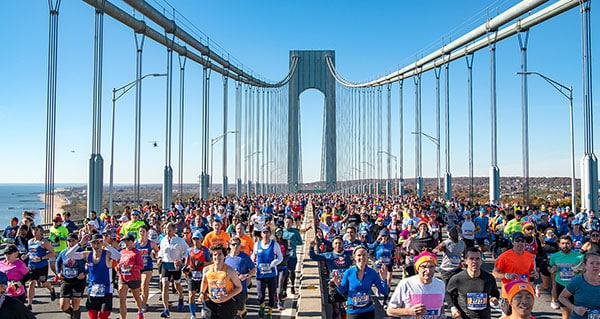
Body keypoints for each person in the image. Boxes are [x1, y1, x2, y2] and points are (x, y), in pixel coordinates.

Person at [331, 245, 389, 319]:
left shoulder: (372, 273)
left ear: (367, 256)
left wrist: (384, 280)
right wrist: (337, 283)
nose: (362, 258)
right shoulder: (349, 272)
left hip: (368, 311)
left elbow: (384, 292)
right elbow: (342, 291)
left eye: (364, 255)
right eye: (359, 255)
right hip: (353, 312)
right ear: (354, 257)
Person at [386, 251, 445, 319]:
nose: (428, 270)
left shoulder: (440, 284)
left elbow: (440, 306)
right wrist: (409, 311)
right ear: (418, 268)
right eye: (423, 267)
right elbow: (390, 311)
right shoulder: (406, 284)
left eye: (431, 266)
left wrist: (442, 315)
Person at [446, 247, 500, 319]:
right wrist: (453, 309)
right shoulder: (457, 279)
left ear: (481, 261)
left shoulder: (489, 278)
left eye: (477, 259)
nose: (474, 261)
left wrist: (495, 299)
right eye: (471, 259)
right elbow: (447, 294)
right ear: (466, 261)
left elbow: (495, 292)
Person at [198, 244, 243, 319]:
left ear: (224, 256)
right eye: (215, 255)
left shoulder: (230, 271)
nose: (217, 257)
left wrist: (227, 296)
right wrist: (202, 293)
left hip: (226, 304)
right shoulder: (206, 270)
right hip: (211, 303)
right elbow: (205, 282)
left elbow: (239, 287)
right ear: (212, 257)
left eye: (220, 254)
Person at [492, 232, 536, 303]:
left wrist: (533, 273)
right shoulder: (504, 257)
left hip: (523, 292)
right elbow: (495, 273)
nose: (520, 243)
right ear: (512, 242)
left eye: (522, 241)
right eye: (517, 240)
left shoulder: (529, 256)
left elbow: (530, 271)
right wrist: (507, 275)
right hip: (509, 293)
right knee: (508, 314)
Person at [157, 223, 190, 318]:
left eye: (169, 230)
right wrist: (159, 258)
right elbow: (161, 251)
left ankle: (181, 296)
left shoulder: (180, 240)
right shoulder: (163, 240)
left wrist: (181, 261)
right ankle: (166, 309)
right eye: (166, 230)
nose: (167, 232)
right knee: (165, 286)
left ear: (174, 230)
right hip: (166, 264)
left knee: (177, 285)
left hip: (176, 265)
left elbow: (187, 252)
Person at [86, 233, 121, 319]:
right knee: (93, 317)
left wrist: (106, 245)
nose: (96, 245)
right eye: (94, 243)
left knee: (103, 316)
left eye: (99, 243)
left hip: (106, 290)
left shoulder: (107, 254)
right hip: (92, 290)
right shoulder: (87, 254)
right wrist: (80, 243)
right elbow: (69, 255)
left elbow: (118, 255)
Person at [548, 235, 583, 317]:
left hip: (575, 286)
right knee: (565, 313)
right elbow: (550, 267)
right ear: (559, 245)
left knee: (576, 313)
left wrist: (579, 269)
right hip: (561, 285)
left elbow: (585, 270)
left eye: (567, 243)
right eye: (563, 243)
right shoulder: (554, 256)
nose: (565, 246)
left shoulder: (579, 256)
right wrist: (552, 269)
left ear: (571, 244)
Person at [558, 252, 600, 319]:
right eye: (591, 263)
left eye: (598, 263)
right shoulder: (577, 281)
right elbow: (562, 297)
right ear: (585, 265)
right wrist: (575, 308)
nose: (595, 266)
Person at [253, 227, 283, 319]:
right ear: (261, 234)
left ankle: (270, 311)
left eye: (267, 233)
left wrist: (275, 262)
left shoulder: (275, 245)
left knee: (271, 295)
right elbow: (253, 256)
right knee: (260, 295)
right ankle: (262, 306)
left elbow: (280, 257)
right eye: (264, 233)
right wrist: (252, 263)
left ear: (270, 234)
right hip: (260, 274)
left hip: (271, 274)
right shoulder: (257, 245)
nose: (265, 235)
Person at [55, 233, 87, 319]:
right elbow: (58, 262)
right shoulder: (64, 252)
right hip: (66, 280)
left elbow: (90, 264)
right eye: (69, 241)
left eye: (73, 241)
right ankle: (73, 314)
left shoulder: (82, 251)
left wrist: (85, 273)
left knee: (75, 304)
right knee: (63, 306)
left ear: (77, 241)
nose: (71, 243)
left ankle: (76, 316)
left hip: (78, 280)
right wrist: (58, 272)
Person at [225, 236, 256, 319]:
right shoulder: (226, 258)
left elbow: (254, 270)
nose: (235, 246)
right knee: (231, 312)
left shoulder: (245, 257)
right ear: (230, 246)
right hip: (229, 290)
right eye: (233, 244)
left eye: (237, 244)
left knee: (239, 311)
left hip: (241, 289)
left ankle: (243, 310)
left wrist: (246, 276)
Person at [27, 225, 57, 310]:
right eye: (33, 229)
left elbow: (52, 253)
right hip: (32, 265)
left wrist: (41, 258)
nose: (34, 231)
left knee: (43, 283)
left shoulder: (44, 242)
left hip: (42, 266)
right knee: (31, 283)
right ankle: (29, 304)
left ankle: (51, 290)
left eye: (37, 230)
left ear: (41, 232)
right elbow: (30, 252)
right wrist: (25, 256)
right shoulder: (30, 241)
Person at [117, 234, 144, 319]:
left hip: (134, 278)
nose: (126, 243)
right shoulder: (121, 252)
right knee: (122, 299)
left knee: (136, 297)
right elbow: (118, 263)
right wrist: (117, 267)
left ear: (132, 242)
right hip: (123, 278)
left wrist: (131, 267)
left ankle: (140, 311)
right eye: (124, 241)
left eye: (127, 241)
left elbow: (141, 266)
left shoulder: (136, 252)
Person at [185, 230, 211, 319]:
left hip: (203, 276)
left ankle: (204, 310)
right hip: (192, 276)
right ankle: (193, 314)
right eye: (194, 239)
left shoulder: (205, 250)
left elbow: (211, 262)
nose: (195, 241)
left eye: (197, 239)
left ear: (201, 239)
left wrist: (203, 263)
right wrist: (185, 269)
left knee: (204, 295)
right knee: (191, 295)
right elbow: (187, 263)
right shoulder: (189, 250)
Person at [136, 225, 159, 313]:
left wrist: (155, 256)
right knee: (138, 287)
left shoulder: (151, 243)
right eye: (140, 231)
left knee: (144, 284)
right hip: (137, 267)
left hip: (147, 267)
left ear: (147, 233)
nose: (142, 233)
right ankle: (141, 300)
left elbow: (157, 251)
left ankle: (144, 304)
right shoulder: (135, 243)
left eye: (143, 231)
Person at [281, 216, 302, 295]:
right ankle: (284, 290)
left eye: (289, 222)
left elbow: (300, 242)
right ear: (284, 223)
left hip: (292, 256)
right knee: (285, 273)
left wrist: (293, 243)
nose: (288, 224)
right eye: (286, 222)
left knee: (292, 271)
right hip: (283, 256)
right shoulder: (282, 231)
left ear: (292, 223)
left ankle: (292, 286)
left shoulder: (295, 232)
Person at [49, 214, 69, 284]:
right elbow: (50, 237)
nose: (54, 222)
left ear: (60, 222)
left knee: (61, 264)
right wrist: (50, 239)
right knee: (52, 264)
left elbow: (68, 238)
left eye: (56, 221)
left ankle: (62, 277)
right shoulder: (51, 228)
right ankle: (57, 275)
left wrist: (60, 238)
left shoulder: (64, 229)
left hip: (61, 249)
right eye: (53, 221)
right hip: (53, 249)